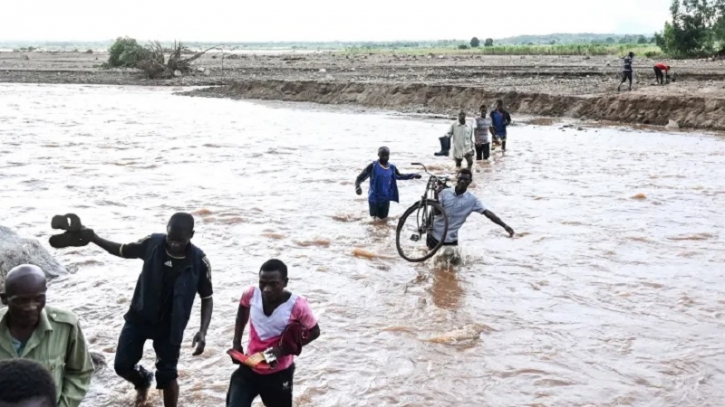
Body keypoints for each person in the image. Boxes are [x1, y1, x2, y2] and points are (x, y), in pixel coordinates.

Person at [86, 213, 213, 407]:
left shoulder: (199, 261)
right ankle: (142, 381)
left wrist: (202, 331)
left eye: (180, 240)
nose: (173, 244)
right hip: (139, 317)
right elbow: (123, 250)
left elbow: (207, 298)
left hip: (171, 326)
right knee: (122, 366)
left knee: (168, 375)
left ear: (191, 235)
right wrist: (94, 238)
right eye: (170, 238)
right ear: (166, 231)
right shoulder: (152, 243)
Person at [227, 259, 321, 407]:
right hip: (250, 366)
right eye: (262, 282)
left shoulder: (297, 305)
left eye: (273, 284)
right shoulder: (251, 294)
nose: (266, 289)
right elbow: (243, 309)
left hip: (279, 374)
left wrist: (282, 351)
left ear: (285, 282)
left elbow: (315, 331)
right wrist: (236, 343)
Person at [0, 265, 93, 407]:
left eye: (39, 299)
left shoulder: (66, 325)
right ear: (4, 299)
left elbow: (80, 372)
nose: (31, 307)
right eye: (21, 301)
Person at [427, 168, 514, 250]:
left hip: (451, 239)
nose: (462, 181)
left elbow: (487, 213)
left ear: (470, 182)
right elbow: (436, 212)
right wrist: (436, 195)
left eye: (465, 180)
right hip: (434, 236)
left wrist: (505, 226)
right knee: (431, 262)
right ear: (457, 178)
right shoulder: (444, 193)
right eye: (460, 178)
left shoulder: (472, 200)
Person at [355, 146, 421, 219]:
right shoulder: (373, 166)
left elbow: (400, 176)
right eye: (383, 155)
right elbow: (360, 178)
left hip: (385, 199)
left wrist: (413, 175)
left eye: (387, 155)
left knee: (383, 221)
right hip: (374, 199)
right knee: (373, 221)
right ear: (378, 155)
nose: (385, 157)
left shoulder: (391, 167)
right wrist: (357, 187)